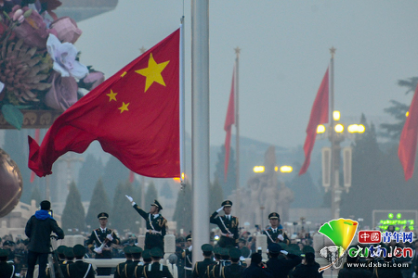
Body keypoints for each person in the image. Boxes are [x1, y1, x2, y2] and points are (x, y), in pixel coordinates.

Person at [25, 200, 64, 278]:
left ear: (40, 207)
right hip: (44, 248)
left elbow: (27, 231)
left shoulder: (33, 218)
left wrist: (32, 237)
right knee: (42, 269)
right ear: (49, 208)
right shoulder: (50, 220)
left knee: (30, 269)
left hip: (32, 247)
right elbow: (60, 232)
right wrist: (59, 237)